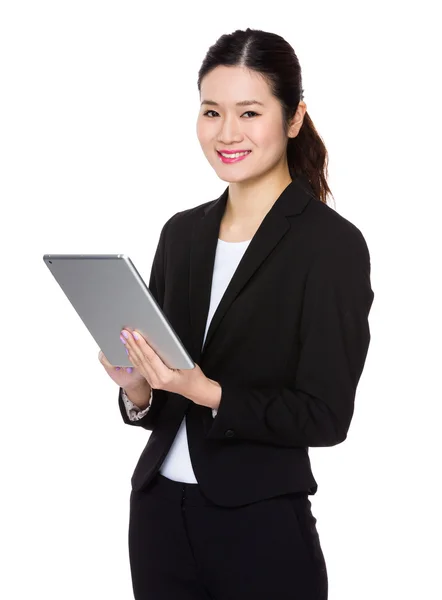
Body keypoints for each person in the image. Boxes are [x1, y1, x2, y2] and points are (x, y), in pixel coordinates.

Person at [99, 27, 374, 600]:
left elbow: (327, 416)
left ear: (294, 118)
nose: (227, 133)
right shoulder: (181, 234)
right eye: (211, 111)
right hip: (156, 517)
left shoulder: (331, 246)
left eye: (249, 112)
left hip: (259, 524)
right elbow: (164, 403)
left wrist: (212, 392)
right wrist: (139, 391)